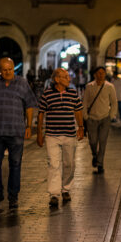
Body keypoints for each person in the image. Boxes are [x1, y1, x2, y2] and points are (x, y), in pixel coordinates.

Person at [0, 57, 37, 210]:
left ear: (14, 68)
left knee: (16, 164)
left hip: (16, 130)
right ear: (0, 69)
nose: (7, 72)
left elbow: (30, 106)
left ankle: (13, 196)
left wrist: (29, 126)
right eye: (4, 70)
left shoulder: (22, 83)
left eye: (10, 69)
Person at [38, 68, 85, 208]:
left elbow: (78, 110)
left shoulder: (72, 93)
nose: (69, 79)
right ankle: (54, 194)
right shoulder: (47, 94)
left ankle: (66, 189)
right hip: (52, 134)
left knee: (69, 164)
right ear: (57, 79)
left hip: (69, 134)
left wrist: (81, 127)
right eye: (65, 77)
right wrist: (39, 132)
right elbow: (41, 113)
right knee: (53, 164)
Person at [83, 66, 117, 175]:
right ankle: (94, 155)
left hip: (105, 118)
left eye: (103, 73)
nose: (101, 75)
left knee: (102, 141)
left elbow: (114, 102)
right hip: (92, 118)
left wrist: (111, 116)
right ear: (94, 75)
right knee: (92, 141)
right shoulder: (89, 86)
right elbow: (84, 102)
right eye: (98, 73)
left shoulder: (110, 87)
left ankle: (100, 164)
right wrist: (85, 116)